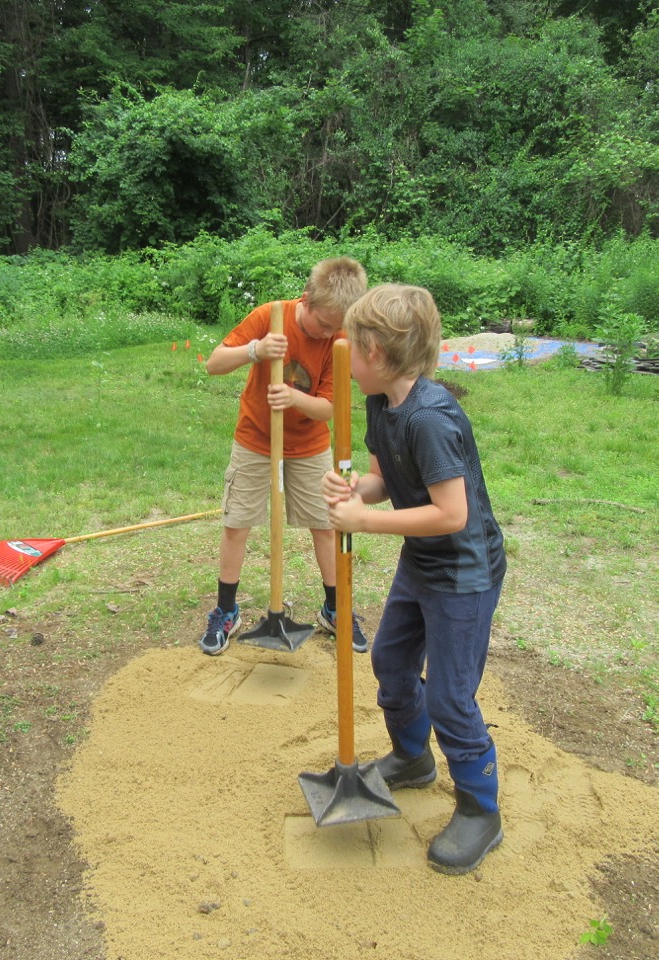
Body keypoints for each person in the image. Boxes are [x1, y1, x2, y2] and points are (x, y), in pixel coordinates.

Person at [321, 284, 506, 875]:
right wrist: (358, 490)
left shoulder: (430, 418)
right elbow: (385, 480)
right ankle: (412, 758)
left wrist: (365, 522)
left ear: (375, 352)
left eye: (352, 345)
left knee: (450, 696)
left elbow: (451, 514)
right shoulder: (381, 402)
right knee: (392, 661)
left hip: (464, 573)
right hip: (422, 562)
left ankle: (480, 810)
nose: (345, 356)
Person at [198, 257, 369, 656]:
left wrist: (293, 398)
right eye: (322, 323)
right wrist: (255, 350)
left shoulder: (340, 339)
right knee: (237, 523)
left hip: (309, 446)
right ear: (306, 299)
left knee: (325, 525)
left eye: (334, 326)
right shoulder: (269, 317)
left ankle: (336, 609)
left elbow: (329, 408)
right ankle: (226, 611)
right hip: (255, 439)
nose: (326, 332)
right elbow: (214, 364)